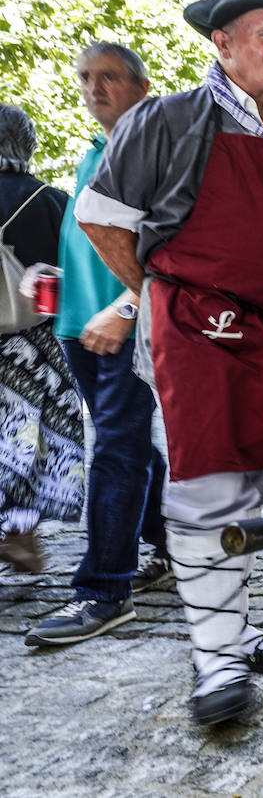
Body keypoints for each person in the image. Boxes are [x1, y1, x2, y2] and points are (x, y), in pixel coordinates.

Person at [76, 0, 263, 726]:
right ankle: (217, 662)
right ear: (221, 44)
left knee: (253, 483)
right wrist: (160, 295)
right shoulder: (167, 119)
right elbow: (101, 218)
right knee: (205, 487)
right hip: (198, 327)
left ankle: (237, 629)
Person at [25, 44, 172, 649]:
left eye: (108, 77)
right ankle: (172, 544)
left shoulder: (155, 145)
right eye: (85, 77)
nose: (93, 88)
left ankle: (104, 591)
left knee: (114, 449)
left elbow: (174, 242)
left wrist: (129, 306)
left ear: (140, 84)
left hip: (128, 325)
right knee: (130, 445)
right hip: (79, 326)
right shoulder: (95, 150)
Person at [0, 105, 83, 574]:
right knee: (31, 437)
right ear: (26, 144)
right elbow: (77, 273)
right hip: (36, 345)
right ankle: (21, 534)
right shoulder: (50, 201)